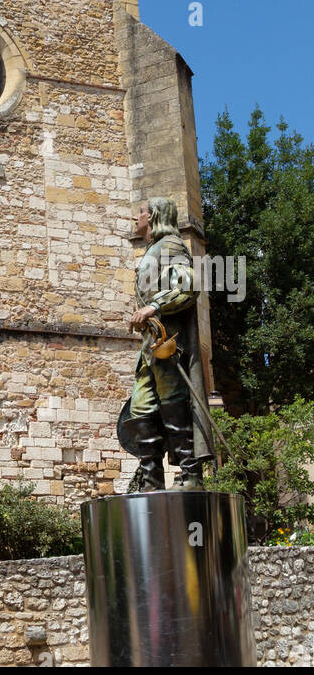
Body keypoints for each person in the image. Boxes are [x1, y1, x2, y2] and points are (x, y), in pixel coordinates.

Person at [121, 196, 215, 492]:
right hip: (152, 347)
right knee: (141, 410)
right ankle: (151, 481)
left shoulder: (172, 246)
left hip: (169, 346)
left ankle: (191, 477)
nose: (136, 218)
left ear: (155, 216)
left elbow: (187, 287)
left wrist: (153, 307)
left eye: (141, 213)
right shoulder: (153, 250)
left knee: (173, 408)